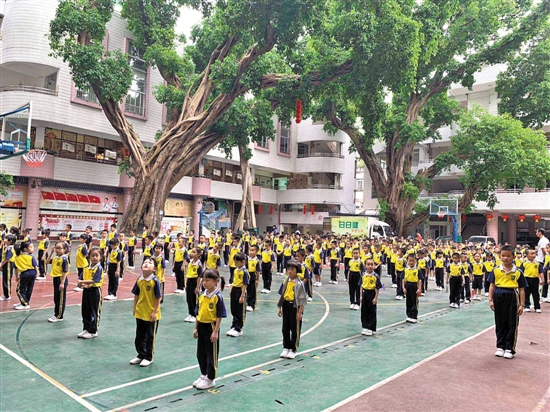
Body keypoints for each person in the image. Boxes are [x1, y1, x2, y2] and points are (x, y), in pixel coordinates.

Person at [488, 245, 527, 359]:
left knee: (512, 323)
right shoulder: (496, 270)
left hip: (512, 295)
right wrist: (490, 300)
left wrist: (522, 304)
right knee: (500, 322)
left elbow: (522, 289)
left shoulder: (518, 272)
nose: (505, 258)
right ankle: (500, 346)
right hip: (498, 295)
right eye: (503, 256)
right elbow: (492, 285)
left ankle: (509, 348)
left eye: (508, 256)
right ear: (499, 256)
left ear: (514, 257)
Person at [193, 269, 226, 390]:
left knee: (211, 354)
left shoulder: (217, 297)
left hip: (211, 326)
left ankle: (211, 378)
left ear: (216, 281)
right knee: (200, 353)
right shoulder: (201, 295)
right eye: (203, 280)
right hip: (201, 325)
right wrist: (195, 328)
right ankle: (203, 374)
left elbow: (219, 315)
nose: (204, 283)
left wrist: (215, 331)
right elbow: (198, 312)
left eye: (207, 280)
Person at [130, 257, 161, 367]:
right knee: (139, 336)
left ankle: (148, 357)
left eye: (150, 263)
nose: (146, 263)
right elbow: (136, 294)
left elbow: (158, 298)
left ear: (154, 269)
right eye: (145, 262)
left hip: (151, 314)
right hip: (140, 312)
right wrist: (134, 307)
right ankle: (140, 354)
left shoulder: (155, 281)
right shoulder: (139, 279)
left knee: (150, 336)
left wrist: (155, 312)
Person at [278, 260, 307, 359]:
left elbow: (302, 300)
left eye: (292, 269)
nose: (290, 271)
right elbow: (282, 295)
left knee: (295, 329)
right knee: (285, 327)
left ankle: (293, 349)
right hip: (286, 305)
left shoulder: (299, 283)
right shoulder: (285, 281)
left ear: (297, 270)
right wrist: (279, 307)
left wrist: (300, 312)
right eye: (288, 269)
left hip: (295, 307)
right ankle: (286, 347)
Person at [77, 247, 104, 339]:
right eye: (93, 256)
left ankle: (93, 330)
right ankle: (86, 328)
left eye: (97, 256)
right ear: (89, 257)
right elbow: (81, 278)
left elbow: (95, 280)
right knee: (85, 310)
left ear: (101, 257)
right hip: (86, 291)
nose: (95, 257)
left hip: (95, 291)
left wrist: (84, 282)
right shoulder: (86, 268)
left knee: (94, 311)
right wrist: (81, 284)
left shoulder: (99, 268)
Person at [227, 253, 249, 337]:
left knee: (240, 311)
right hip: (234, 290)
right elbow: (233, 281)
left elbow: (245, 284)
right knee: (234, 309)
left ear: (243, 262)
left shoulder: (245, 272)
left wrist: (242, 296)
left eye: (237, 262)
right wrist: (231, 290)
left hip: (240, 291)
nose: (235, 264)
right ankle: (234, 326)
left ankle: (239, 328)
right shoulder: (236, 270)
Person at [46, 242, 69, 322]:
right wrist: (51, 252)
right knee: (56, 298)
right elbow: (47, 262)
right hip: (55, 278)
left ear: (65, 249)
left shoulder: (64, 259)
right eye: (56, 248)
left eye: (60, 248)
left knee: (61, 299)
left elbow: (65, 271)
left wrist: (62, 282)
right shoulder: (56, 258)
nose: (58, 250)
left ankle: (59, 316)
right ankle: (56, 314)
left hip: (61, 279)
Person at [13, 240, 39, 310]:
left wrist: (17, 277)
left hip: (25, 274)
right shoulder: (30, 256)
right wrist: (37, 273)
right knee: (29, 288)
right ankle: (24, 301)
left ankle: (25, 303)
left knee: (20, 290)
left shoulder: (17, 258)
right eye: (30, 247)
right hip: (33, 272)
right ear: (25, 248)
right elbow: (35, 266)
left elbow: (16, 269)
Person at [360, 258, 383, 336]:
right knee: (364, 311)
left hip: (372, 293)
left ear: (374, 266)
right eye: (368, 264)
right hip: (365, 293)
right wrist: (360, 296)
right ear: (365, 266)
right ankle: (365, 326)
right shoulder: (363, 275)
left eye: (371, 264)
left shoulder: (375, 276)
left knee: (372, 311)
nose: (370, 266)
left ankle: (371, 328)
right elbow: (361, 286)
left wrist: (376, 298)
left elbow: (378, 288)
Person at [185, 248, 203, 323]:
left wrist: (198, 287)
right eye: (192, 252)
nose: (192, 253)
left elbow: (199, 277)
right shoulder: (190, 262)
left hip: (195, 282)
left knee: (194, 299)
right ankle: (190, 313)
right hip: (189, 281)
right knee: (188, 298)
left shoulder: (199, 265)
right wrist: (186, 284)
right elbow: (187, 273)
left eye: (194, 252)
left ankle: (195, 315)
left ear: (198, 254)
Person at [403, 254, 423, 323]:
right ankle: (409, 315)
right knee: (408, 301)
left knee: (414, 301)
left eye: (413, 261)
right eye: (410, 261)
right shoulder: (406, 269)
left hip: (414, 286)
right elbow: (403, 279)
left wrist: (419, 288)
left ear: (416, 261)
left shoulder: (417, 270)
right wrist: (403, 288)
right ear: (407, 261)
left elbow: (420, 279)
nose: (411, 262)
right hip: (408, 285)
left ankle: (414, 316)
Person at [0, 234, 16, 301]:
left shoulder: (10, 248)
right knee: (5, 279)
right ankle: (5, 294)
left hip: (8, 265)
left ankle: (7, 295)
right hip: (6, 264)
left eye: (6, 239)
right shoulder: (8, 247)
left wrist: (1, 265)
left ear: (10, 241)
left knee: (7, 280)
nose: (5, 240)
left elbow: (7, 259)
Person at [536, 228, 549, 302]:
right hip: (542, 260)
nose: (536, 233)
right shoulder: (544, 240)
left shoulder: (543, 240)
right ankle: (543, 295)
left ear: (540, 232)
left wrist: (546, 258)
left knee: (544, 278)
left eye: (537, 232)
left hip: (542, 261)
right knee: (543, 278)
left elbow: (544, 250)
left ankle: (543, 295)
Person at [246, 245, 261, 312]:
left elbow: (258, 271)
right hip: (247, 276)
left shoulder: (257, 260)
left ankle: (252, 305)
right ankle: (247, 303)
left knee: (253, 291)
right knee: (247, 290)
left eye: (253, 250)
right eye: (250, 250)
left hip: (253, 276)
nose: (251, 252)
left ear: (256, 252)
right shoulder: (247, 259)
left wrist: (257, 280)